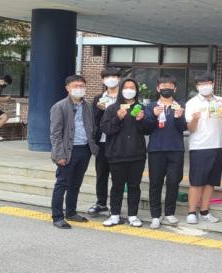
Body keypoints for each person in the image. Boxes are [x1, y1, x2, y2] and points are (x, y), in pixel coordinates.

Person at [49, 75, 99, 229]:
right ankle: (57, 216)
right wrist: (59, 155)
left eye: (82, 86)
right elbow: (55, 134)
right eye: (75, 86)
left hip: (84, 149)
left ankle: (71, 212)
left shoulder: (88, 106)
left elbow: (92, 127)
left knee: (76, 183)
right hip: (67, 151)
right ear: (68, 88)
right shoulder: (59, 107)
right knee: (62, 184)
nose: (79, 89)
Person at [99, 78, 150, 227]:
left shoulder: (141, 108)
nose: (129, 90)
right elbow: (106, 129)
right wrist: (118, 118)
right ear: (121, 89)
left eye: (132, 87)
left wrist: (141, 120)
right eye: (126, 87)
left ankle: (133, 215)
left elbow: (148, 130)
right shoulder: (112, 108)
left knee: (134, 186)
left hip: (137, 154)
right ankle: (114, 214)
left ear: (136, 90)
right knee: (117, 186)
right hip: (117, 154)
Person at [142, 75, 187, 228]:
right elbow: (146, 129)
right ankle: (155, 215)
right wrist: (154, 116)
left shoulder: (180, 105)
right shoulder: (151, 106)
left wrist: (179, 117)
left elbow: (183, 128)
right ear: (158, 88)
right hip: (156, 149)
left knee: (173, 181)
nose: (166, 89)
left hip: (176, 149)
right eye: (163, 86)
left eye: (170, 86)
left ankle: (169, 213)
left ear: (175, 89)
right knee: (155, 182)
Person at [184, 71, 222, 224]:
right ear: (197, 86)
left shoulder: (221, 100)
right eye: (201, 84)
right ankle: (191, 212)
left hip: (218, 144)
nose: (204, 86)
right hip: (200, 146)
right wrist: (195, 119)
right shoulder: (192, 103)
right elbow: (190, 128)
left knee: (211, 182)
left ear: (213, 84)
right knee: (197, 181)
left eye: (207, 83)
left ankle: (204, 211)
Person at [88, 67, 121, 216]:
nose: (111, 79)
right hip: (102, 141)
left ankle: (115, 206)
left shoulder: (124, 98)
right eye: (107, 77)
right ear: (102, 80)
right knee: (101, 173)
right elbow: (95, 121)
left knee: (118, 175)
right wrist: (100, 110)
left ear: (119, 78)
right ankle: (101, 203)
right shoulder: (98, 98)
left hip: (119, 142)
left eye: (114, 76)